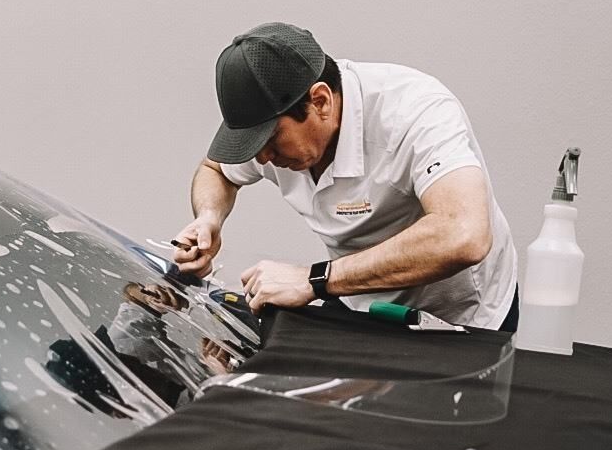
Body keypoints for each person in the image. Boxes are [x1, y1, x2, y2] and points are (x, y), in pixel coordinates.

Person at [172, 22, 518, 331]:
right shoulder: (276, 133)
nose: (261, 157)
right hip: (357, 300)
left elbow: (463, 234)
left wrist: (314, 280)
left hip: (459, 318)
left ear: (320, 101)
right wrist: (209, 218)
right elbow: (214, 170)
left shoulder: (416, 111)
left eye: (269, 139)